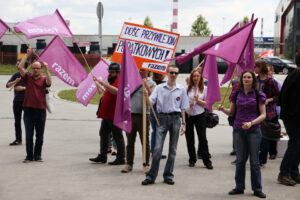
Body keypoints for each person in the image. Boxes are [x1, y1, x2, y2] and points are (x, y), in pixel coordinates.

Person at [218, 70, 267, 198]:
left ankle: (257, 188)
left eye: (249, 77)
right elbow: (231, 112)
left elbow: (263, 115)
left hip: (254, 131)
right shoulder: (236, 94)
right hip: (238, 130)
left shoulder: (258, 95)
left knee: (255, 161)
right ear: (241, 80)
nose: (246, 79)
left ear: (253, 80)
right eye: (244, 77)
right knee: (240, 160)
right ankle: (239, 187)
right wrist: (223, 110)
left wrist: (251, 123)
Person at [141, 65, 189, 186]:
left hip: (175, 120)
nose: (173, 75)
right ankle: (151, 176)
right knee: (157, 149)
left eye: (176, 73)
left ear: (178, 75)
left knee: (172, 150)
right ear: (167, 74)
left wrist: (184, 123)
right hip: (161, 119)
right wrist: (146, 96)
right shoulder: (159, 88)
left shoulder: (181, 89)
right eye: (171, 73)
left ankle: (168, 175)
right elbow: (151, 102)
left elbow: (183, 107)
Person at [18, 48, 52, 162]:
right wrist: (27, 56)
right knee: (28, 135)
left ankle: (37, 155)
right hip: (28, 110)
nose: (35, 70)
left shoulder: (43, 79)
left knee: (39, 136)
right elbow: (20, 68)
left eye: (38, 68)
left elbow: (49, 83)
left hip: (41, 110)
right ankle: (29, 156)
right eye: (34, 68)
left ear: (41, 70)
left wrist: (47, 70)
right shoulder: (28, 78)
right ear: (31, 69)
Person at [89, 63, 125, 165]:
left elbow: (117, 92)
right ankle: (102, 156)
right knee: (103, 133)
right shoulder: (111, 81)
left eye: (112, 72)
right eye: (109, 72)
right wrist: (97, 83)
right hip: (107, 114)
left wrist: (104, 84)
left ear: (118, 73)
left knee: (117, 135)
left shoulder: (120, 81)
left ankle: (121, 157)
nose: (109, 74)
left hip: (114, 114)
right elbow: (102, 91)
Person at [121, 69, 156, 173]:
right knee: (130, 140)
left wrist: (146, 85)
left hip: (144, 115)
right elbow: (125, 94)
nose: (141, 72)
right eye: (139, 70)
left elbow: (153, 97)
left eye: (143, 70)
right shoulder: (132, 81)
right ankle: (129, 163)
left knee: (144, 140)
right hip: (131, 114)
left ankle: (146, 164)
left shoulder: (152, 82)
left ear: (147, 71)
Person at [277, 53, 300, 186]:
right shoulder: (296, 76)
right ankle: (284, 173)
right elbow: (290, 100)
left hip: (293, 116)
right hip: (293, 118)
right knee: (295, 143)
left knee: (297, 144)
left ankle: (293, 171)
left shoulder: (294, 75)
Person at [185, 69, 213, 169]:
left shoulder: (204, 89)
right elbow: (182, 104)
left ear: (200, 77)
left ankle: (207, 161)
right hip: (189, 115)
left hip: (200, 115)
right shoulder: (187, 89)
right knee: (189, 138)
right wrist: (189, 104)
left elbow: (206, 104)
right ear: (191, 78)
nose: (196, 78)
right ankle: (192, 159)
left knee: (202, 138)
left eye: (197, 76)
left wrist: (197, 100)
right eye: (194, 76)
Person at [254, 60, 280, 167]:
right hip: (255, 111)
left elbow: (278, 96)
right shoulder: (255, 80)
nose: (254, 68)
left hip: (267, 112)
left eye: (256, 66)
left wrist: (269, 100)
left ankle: (262, 159)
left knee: (264, 137)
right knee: (256, 136)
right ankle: (256, 157)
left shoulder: (271, 81)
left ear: (261, 67)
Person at [6, 60, 27, 145]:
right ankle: (18, 139)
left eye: (19, 64)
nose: (17, 66)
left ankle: (30, 138)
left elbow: (33, 87)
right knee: (17, 121)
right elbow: (7, 85)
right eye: (17, 64)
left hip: (27, 101)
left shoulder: (28, 75)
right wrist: (15, 81)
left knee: (28, 121)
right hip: (17, 101)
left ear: (24, 66)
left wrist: (23, 88)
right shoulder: (16, 75)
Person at [266, 64, 282, 160]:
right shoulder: (262, 82)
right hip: (264, 111)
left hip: (274, 111)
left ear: (272, 72)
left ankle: (273, 152)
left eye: (269, 71)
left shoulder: (276, 83)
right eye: (266, 70)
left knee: (273, 132)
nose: (268, 73)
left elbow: (279, 97)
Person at [150, 72, 166, 159]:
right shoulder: (163, 85)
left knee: (155, 131)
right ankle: (157, 152)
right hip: (160, 110)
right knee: (159, 132)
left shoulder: (152, 84)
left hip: (153, 109)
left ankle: (154, 151)